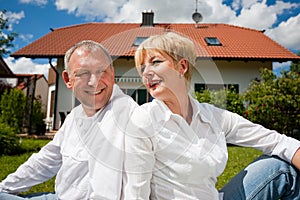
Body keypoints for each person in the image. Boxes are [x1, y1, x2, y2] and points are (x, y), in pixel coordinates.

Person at [123, 32, 300, 200]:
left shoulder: (213, 116)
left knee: (283, 167)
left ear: (182, 66)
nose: (146, 73)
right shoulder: (143, 120)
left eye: (155, 62)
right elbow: (136, 192)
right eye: (142, 67)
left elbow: (278, 142)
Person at [0, 40, 138, 199]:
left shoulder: (128, 116)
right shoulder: (75, 115)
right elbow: (45, 161)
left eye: (102, 71)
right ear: (67, 79)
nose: (94, 82)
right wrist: (4, 188)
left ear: (112, 74)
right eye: (83, 73)